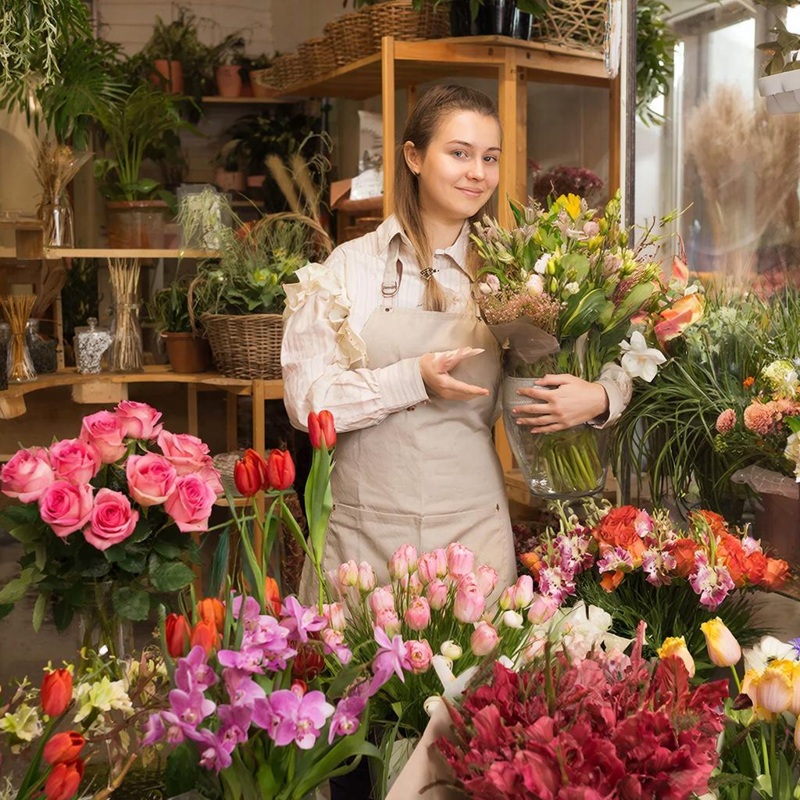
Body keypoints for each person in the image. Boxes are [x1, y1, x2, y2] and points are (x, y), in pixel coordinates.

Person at [281, 83, 630, 799]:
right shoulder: (347, 269)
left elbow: (597, 357)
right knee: (355, 743)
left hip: (471, 538)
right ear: (412, 156)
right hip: (361, 543)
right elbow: (307, 399)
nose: (476, 172)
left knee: (470, 748)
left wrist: (599, 395)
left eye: (490, 157)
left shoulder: (513, 272)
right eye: (458, 153)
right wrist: (412, 379)